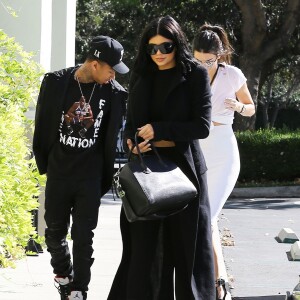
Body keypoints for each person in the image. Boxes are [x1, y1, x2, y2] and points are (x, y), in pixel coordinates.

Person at [108, 16, 215, 300]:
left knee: (187, 250)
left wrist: (159, 130)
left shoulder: (195, 74)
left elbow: (202, 126)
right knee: (143, 250)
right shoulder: (142, 74)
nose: (159, 54)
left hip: (184, 170)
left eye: (165, 47)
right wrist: (131, 142)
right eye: (152, 48)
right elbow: (130, 123)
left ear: (177, 44)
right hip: (145, 172)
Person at [32, 35, 129, 300]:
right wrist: (43, 163)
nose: (114, 76)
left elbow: (118, 130)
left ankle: (79, 290)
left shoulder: (115, 93)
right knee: (53, 232)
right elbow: (42, 122)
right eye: (111, 70)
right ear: (95, 64)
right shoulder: (56, 82)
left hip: (90, 175)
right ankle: (64, 275)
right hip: (59, 172)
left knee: (84, 237)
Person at [193, 24, 255, 300]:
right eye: (199, 60)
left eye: (210, 61)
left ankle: (219, 284)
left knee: (209, 216)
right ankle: (216, 283)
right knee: (203, 217)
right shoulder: (187, 72)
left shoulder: (233, 75)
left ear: (220, 55)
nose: (204, 65)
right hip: (196, 149)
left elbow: (251, 106)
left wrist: (238, 106)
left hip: (223, 150)